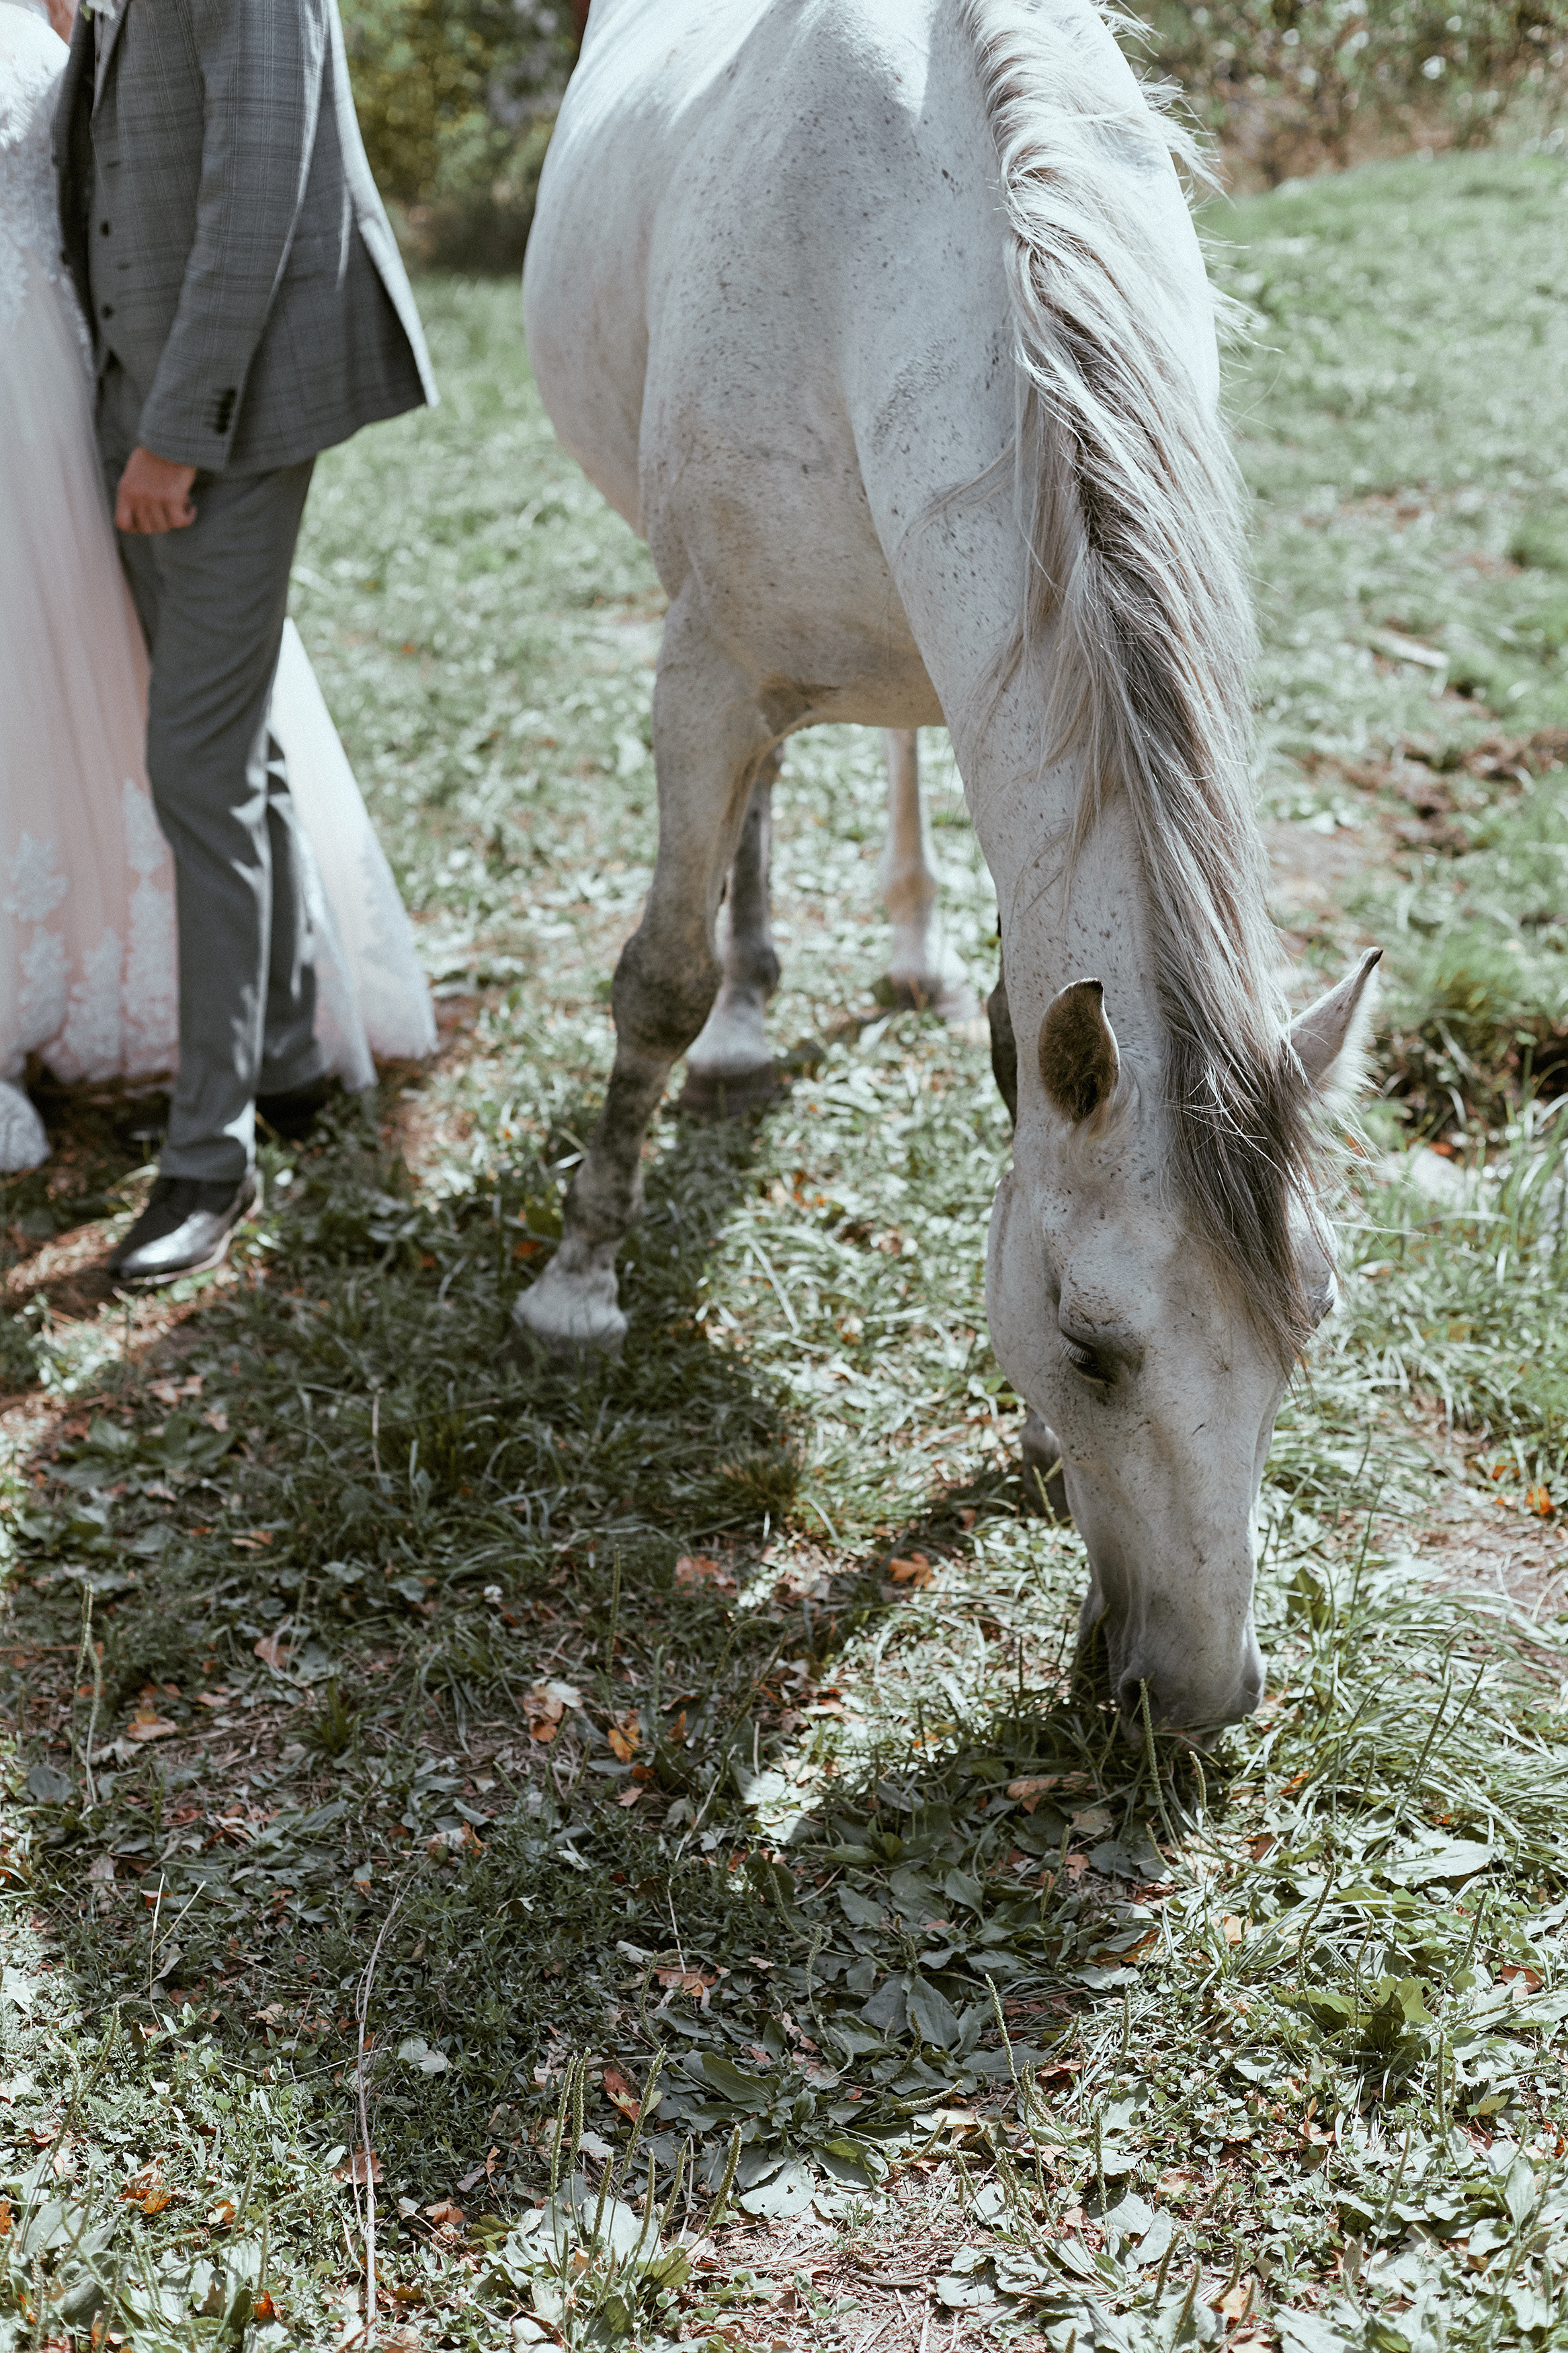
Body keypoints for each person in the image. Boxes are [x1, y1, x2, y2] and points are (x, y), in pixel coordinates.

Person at [0, 0, 439, 1278]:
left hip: (222, 417)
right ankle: (292, 1056)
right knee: (234, 744)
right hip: (126, 391)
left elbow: (257, 192)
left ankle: (210, 1154)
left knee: (195, 767)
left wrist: (176, 437)